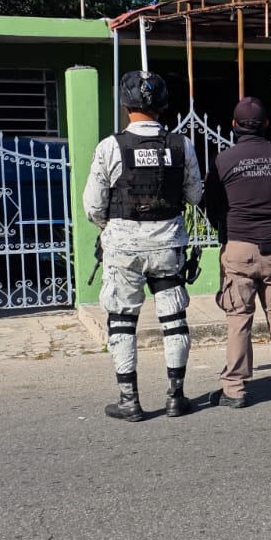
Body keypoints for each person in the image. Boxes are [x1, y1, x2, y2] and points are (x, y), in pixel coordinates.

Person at [83, 70, 205, 421]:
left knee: (122, 320)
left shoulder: (110, 147)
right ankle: (175, 397)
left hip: (123, 245)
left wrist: (114, 228)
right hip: (168, 243)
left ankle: (129, 400)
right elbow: (195, 195)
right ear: (163, 105)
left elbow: (93, 205)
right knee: (174, 318)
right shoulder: (181, 145)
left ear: (124, 104)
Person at [202, 96, 271, 406]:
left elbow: (212, 204)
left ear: (233, 126)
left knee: (239, 318)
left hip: (239, 247)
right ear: (266, 124)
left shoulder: (224, 161)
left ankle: (235, 389)